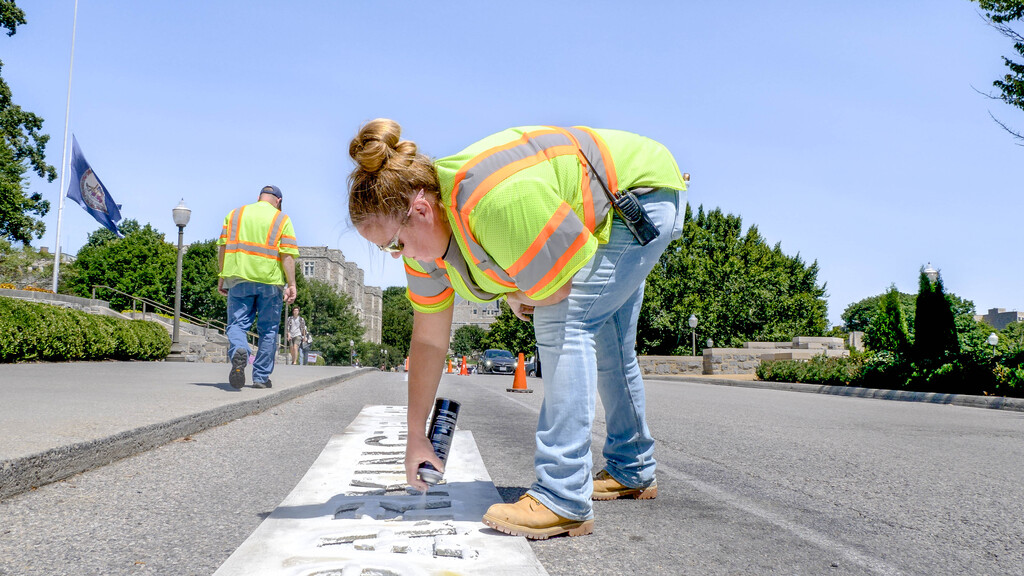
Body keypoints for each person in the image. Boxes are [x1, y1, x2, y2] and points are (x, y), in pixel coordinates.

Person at [346, 119, 687, 539]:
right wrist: (416, 436)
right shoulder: (424, 253)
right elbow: (429, 341)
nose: (398, 257)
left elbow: (555, 292)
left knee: (567, 323)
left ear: (421, 210)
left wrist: (518, 291)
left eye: (394, 244)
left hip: (636, 196)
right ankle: (632, 468)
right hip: (611, 202)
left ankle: (562, 497)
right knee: (611, 345)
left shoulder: (491, 202)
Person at [217, 185, 299, 389]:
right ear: (278, 201)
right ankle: (261, 377)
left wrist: (222, 276)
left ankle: (239, 349)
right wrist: (291, 284)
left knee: (236, 325)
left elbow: (223, 248)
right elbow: (287, 255)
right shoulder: (282, 219)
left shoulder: (235, 214)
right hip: (270, 282)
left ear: (259, 197)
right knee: (268, 329)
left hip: (238, 278)